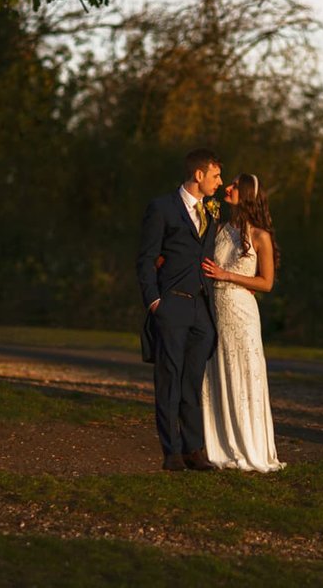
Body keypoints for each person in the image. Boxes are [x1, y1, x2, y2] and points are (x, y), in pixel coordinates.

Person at [136, 149, 223, 472]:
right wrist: (154, 300)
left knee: (192, 382)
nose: (220, 182)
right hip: (171, 304)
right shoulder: (162, 208)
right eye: (215, 176)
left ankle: (193, 449)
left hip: (201, 309)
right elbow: (145, 258)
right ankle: (171, 451)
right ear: (198, 175)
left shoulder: (212, 212)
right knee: (169, 380)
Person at [201, 173, 286, 473]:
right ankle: (221, 443)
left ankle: (249, 446)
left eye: (236, 186)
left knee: (244, 371)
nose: (228, 187)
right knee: (220, 369)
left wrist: (228, 276)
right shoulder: (221, 228)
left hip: (242, 312)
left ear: (247, 194)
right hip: (216, 310)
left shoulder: (261, 236)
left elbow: (266, 283)